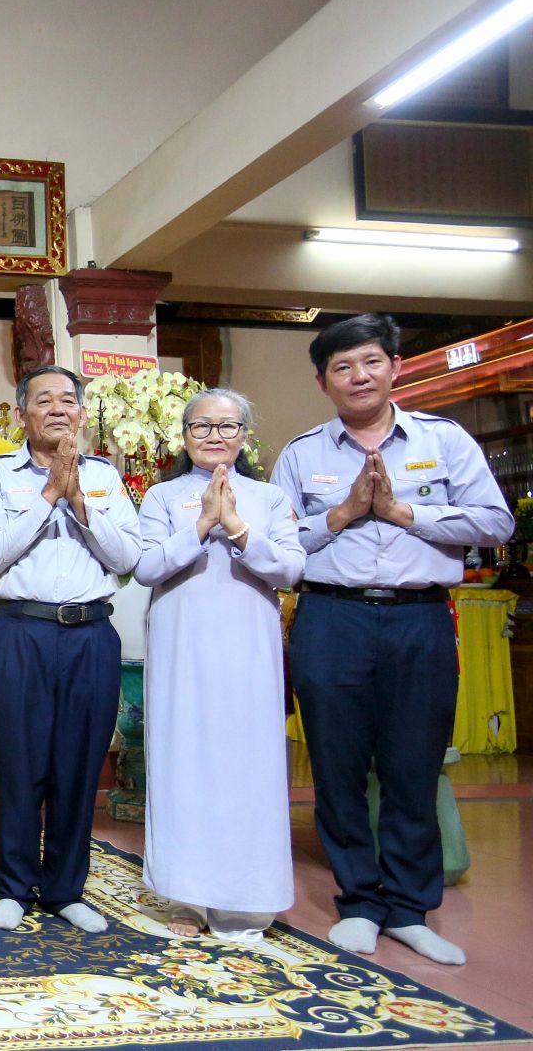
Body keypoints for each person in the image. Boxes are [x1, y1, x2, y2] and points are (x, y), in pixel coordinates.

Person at [272, 313, 512, 965]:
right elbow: (276, 546)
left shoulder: (445, 440)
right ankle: (359, 901)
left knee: (413, 765)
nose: (359, 375)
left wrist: (406, 513)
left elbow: (496, 522)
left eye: (371, 361)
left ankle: (409, 909)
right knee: (338, 766)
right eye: (343, 367)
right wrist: (344, 513)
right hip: (332, 619)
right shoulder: (302, 453)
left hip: (419, 619)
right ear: (323, 382)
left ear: (395, 367)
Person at [0, 364, 140, 934]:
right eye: (45, 401)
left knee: (80, 761)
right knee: (16, 760)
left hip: (90, 634)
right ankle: (14, 886)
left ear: (82, 414)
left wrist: (82, 506)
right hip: (20, 630)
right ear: (22, 414)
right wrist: (48, 497)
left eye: (68, 400)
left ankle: (66, 888)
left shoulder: (105, 478)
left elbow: (128, 559)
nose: (58, 409)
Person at [134, 389, 304, 943]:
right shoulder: (162, 496)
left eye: (227, 427)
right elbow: (145, 566)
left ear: (244, 436)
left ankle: (245, 902)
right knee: (183, 763)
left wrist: (237, 526)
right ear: (184, 436)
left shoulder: (269, 498)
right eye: (201, 426)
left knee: (247, 767)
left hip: (248, 651)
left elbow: (290, 569)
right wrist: (201, 526)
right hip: (182, 648)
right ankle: (187, 894)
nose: (214, 436)